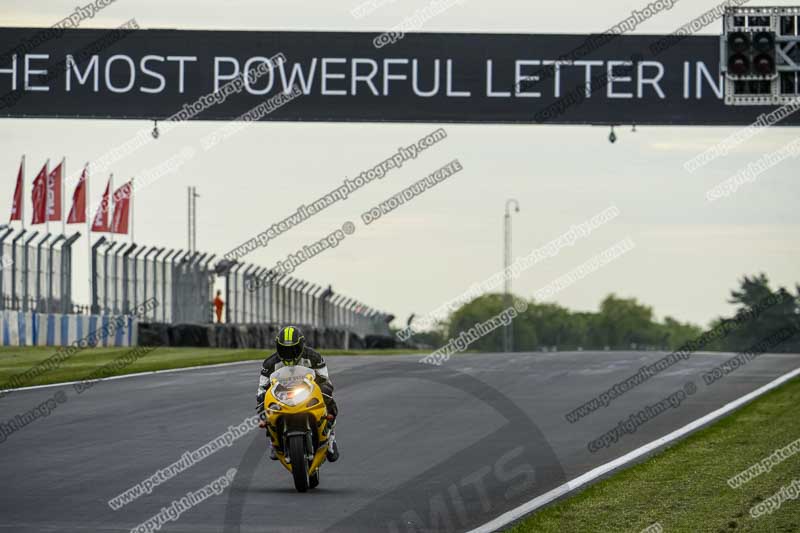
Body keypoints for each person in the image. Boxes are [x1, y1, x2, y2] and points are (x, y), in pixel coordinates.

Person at [256, 326, 339, 462]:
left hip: (307, 392)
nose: (288, 353)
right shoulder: (269, 363)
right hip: (281, 395)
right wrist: (261, 403)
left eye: (293, 349)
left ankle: (330, 437)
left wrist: (325, 391)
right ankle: (273, 440)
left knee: (331, 404)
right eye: (284, 349)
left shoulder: (314, 357)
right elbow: (262, 387)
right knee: (264, 413)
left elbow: (325, 380)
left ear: (301, 345)